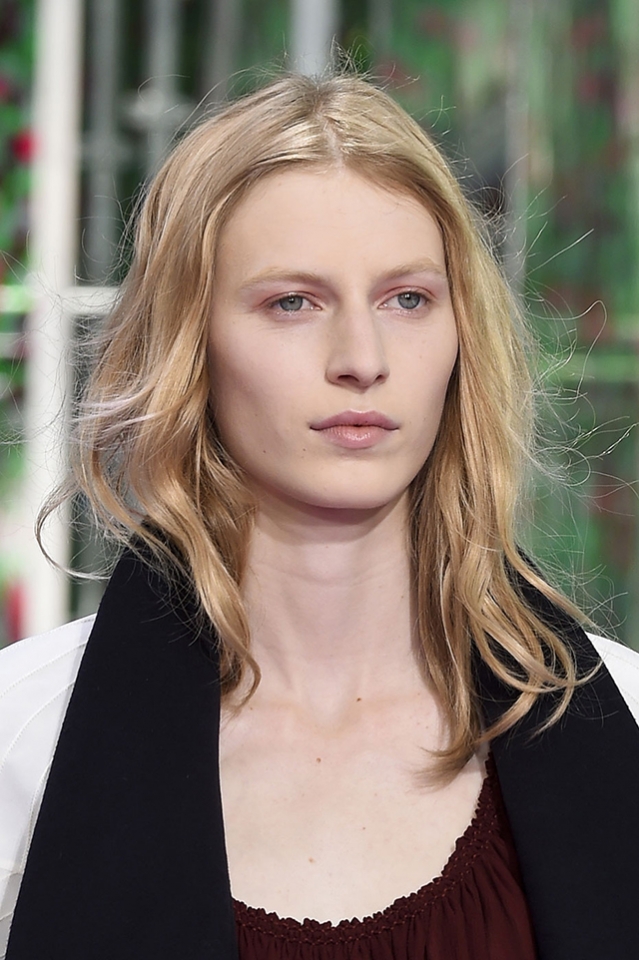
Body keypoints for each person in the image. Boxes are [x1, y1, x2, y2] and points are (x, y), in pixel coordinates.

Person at [1, 72, 639, 960]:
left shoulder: (620, 717)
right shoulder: (23, 742)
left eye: (407, 299)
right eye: (292, 302)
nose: (361, 358)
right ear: (189, 342)